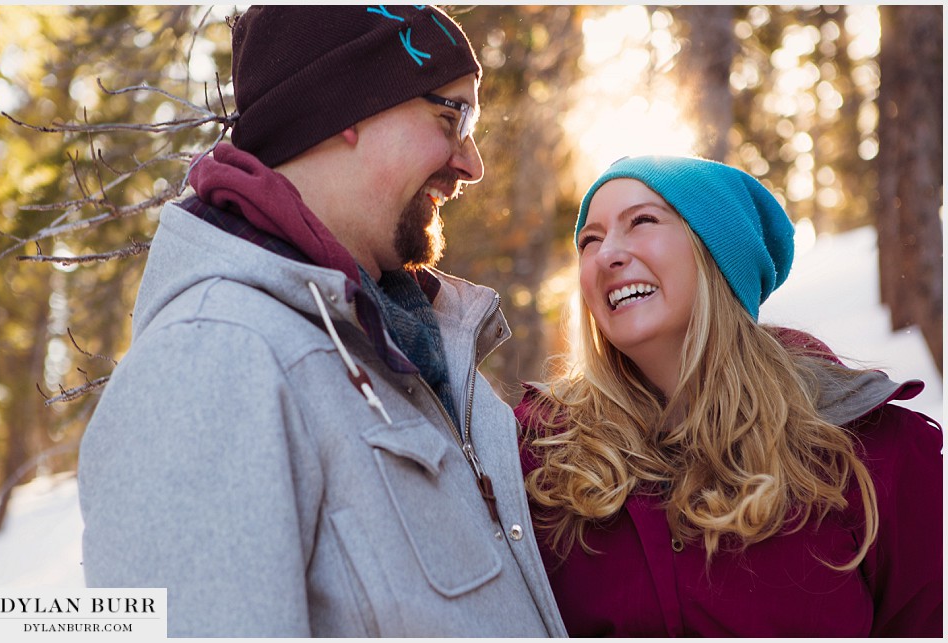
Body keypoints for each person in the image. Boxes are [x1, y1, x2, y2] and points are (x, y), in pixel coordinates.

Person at [78, 6, 566, 638]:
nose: (471, 162)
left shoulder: (391, 343)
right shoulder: (213, 359)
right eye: (452, 116)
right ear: (349, 109)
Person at [516, 155, 942, 637]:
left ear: (718, 254)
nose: (605, 254)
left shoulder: (873, 449)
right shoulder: (541, 456)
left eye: (642, 221)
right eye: (589, 240)